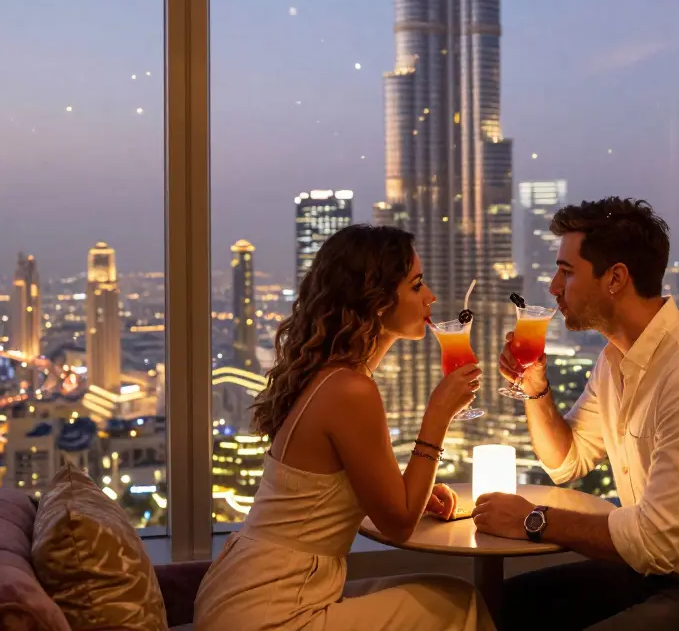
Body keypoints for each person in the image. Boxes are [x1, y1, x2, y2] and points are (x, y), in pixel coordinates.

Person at [472, 198, 679, 630]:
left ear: (616, 278)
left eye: (567, 272)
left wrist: (533, 520)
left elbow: (656, 541)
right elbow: (566, 462)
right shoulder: (614, 361)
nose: (554, 286)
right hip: (659, 576)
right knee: (498, 607)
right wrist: (537, 392)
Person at [195, 224, 495, 631]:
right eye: (416, 285)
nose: (431, 297)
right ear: (376, 300)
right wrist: (438, 415)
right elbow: (400, 524)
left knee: (444, 594)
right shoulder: (351, 390)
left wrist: (410, 490)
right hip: (273, 607)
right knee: (459, 605)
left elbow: (345, 499)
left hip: (243, 590)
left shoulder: (328, 376)